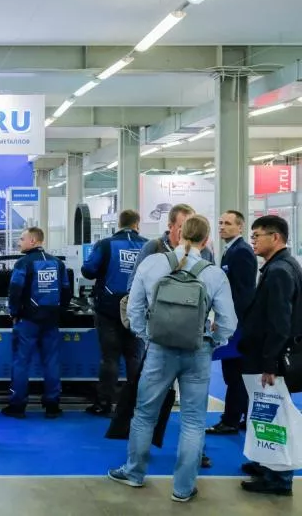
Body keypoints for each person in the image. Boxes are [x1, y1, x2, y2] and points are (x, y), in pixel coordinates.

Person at [108, 215, 236, 502]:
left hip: (159, 350)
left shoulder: (152, 264)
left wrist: (146, 336)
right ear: (206, 240)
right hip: (197, 351)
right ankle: (183, 488)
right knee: (193, 421)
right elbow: (228, 322)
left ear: (178, 235)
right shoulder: (214, 274)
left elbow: (134, 308)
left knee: (145, 414)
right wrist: (213, 341)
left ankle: (134, 472)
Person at [238, 215, 301, 497]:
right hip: (268, 354)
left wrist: (270, 362)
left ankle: (280, 476)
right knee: (265, 411)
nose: (253, 241)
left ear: (275, 237)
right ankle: (267, 463)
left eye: (257, 236)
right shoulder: (280, 266)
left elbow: (280, 321)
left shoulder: (280, 271)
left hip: (272, 358)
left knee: (275, 415)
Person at [81, 209, 149, 416]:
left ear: (119, 223)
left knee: (109, 358)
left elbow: (88, 271)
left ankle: (104, 403)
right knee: (135, 357)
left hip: (108, 309)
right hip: (137, 308)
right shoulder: (148, 245)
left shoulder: (105, 244)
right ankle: (137, 404)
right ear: (137, 224)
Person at [2, 227, 71, 419]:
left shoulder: (23, 263)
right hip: (51, 320)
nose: (19, 242)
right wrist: (59, 312)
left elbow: (15, 291)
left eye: (21, 238)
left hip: (27, 321)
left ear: (33, 241)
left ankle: (17, 406)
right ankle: (52, 405)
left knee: (21, 362)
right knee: (51, 361)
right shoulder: (58, 263)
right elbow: (66, 291)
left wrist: (14, 313)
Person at [206, 211, 257, 435]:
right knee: (234, 373)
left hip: (238, 324)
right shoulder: (231, 251)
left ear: (240, 227)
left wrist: (228, 321)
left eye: (228, 223)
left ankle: (231, 420)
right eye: (220, 223)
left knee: (234, 373)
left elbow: (243, 293)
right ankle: (243, 416)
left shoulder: (241, 252)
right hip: (234, 321)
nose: (222, 227)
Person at [128, 204, 214, 287]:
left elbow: (213, 285)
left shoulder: (205, 252)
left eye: (192, 227)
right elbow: (133, 284)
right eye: (182, 227)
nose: (187, 231)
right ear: (170, 226)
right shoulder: (153, 247)